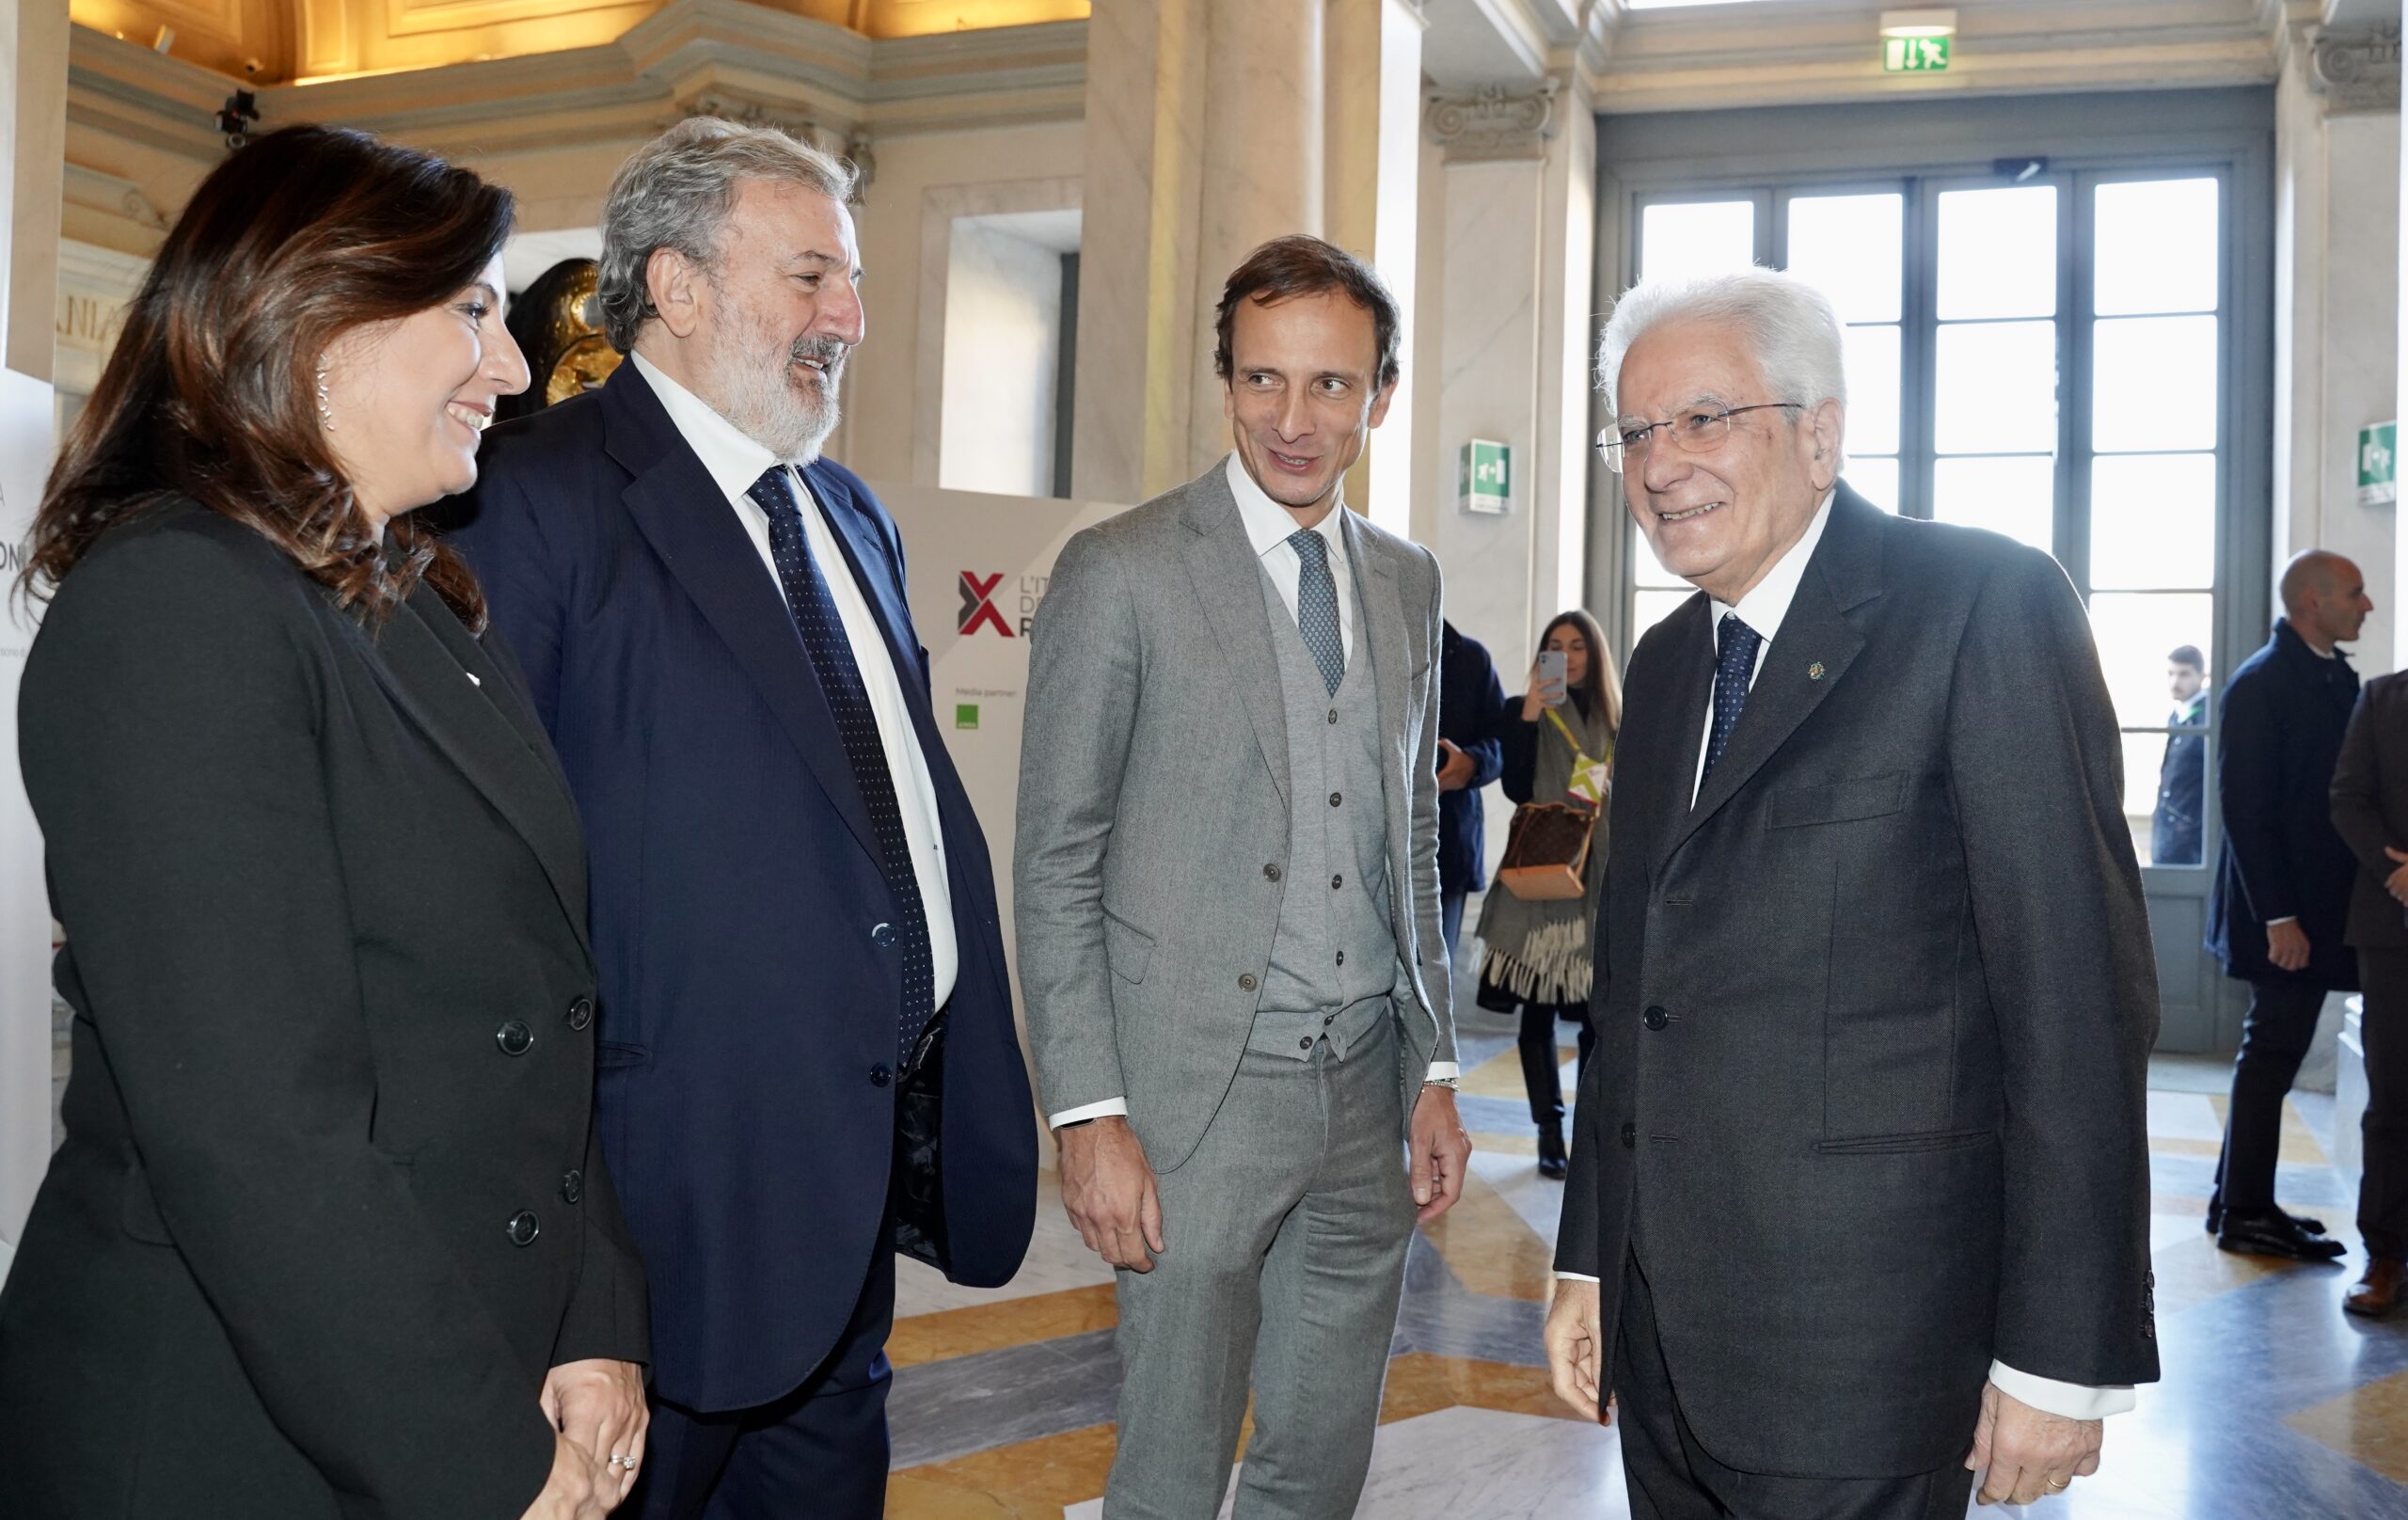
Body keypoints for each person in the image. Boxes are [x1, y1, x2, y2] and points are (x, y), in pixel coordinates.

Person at [0, 125, 649, 1519]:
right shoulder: (178, 606)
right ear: (318, 312)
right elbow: (257, 1134)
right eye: (474, 307)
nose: (517, 366)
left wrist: (592, 1314)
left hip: (455, 1356)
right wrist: (484, 1460)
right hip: (237, 1432)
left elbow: (541, 1005)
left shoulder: (403, 594)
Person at [445, 117, 1038, 1519]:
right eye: (814, 277)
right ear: (680, 286)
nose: (853, 317)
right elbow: (481, 901)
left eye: (854, 281)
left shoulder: (853, 517)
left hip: (843, 1219)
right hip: (656, 1233)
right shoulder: (526, 503)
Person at [1544, 268, 2159, 1515]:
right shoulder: (1665, 666)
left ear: (1819, 431)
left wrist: (2062, 1351)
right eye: (1635, 431)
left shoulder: (1982, 603)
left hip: (1867, 1359)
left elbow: (2075, 1001)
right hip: (1663, 1344)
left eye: (1705, 417)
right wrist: (1590, 1261)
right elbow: (1635, 1004)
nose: (1662, 465)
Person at [1017, 235, 1470, 1518]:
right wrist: (1088, 1112)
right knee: (1170, 1460)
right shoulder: (1124, 571)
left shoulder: (1407, 579)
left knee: (1319, 1458)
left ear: (1379, 396)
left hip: (1364, 1092)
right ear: (1224, 381)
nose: (1294, 417)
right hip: (1190, 1098)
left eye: (1331, 384)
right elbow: (1055, 858)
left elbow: (1411, 843)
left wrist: (1434, 1066)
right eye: (1264, 379)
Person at [2205, 552, 2371, 1262]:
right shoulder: (2261, 684)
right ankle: (2246, 1210)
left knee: (2273, 1051)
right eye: (2354, 593)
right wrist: (2279, 918)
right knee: (2271, 1052)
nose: (2366, 604)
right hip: (2281, 916)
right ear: (2312, 601)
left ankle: (2233, 1200)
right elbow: (2246, 812)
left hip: (2310, 910)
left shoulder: (2333, 675)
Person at [1478, 610, 1619, 1180]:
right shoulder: (1524, 710)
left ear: (1595, 653)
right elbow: (1514, 786)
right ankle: (1548, 1131)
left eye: (1577, 645)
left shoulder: (1617, 714)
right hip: (1541, 879)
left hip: (1599, 876)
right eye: (1555, 646)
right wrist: (1532, 711)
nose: (1567, 655)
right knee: (1536, 1011)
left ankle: (1587, 1130)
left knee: (1595, 1017)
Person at [2328, 671, 2408, 1315]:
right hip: (2392, 926)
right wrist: (2394, 871)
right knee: (2392, 1098)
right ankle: (2384, 1256)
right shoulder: (2382, 697)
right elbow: (2347, 798)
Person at [1437, 619, 1507, 964]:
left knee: (1437, 968)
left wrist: (1471, 764)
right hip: (1368, 837)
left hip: (1448, 837)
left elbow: (1501, 741)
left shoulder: (1470, 657)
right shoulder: (1362, 641)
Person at [2154, 644, 2209, 864]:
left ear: (2201, 676)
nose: (2175, 682)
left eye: (2184, 674)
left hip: (2192, 837)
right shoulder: (2176, 716)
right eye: (2171, 674)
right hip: (2169, 831)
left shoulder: (2207, 717)